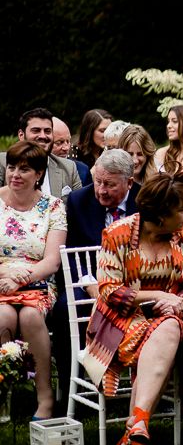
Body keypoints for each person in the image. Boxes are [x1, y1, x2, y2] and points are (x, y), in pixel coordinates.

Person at [83, 174, 183, 445]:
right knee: (161, 334)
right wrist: (156, 294)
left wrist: (177, 302)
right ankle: (133, 437)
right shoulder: (118, 234)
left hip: (170, 315)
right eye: (181, 209)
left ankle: (136, 428)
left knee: (170, 326)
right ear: (161, 216)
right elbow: (109, 289)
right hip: (121, 318)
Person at [53, 149, 139, 406]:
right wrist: (93, 284)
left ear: (129, 183)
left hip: (136, 282)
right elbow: (72, 253)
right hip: (89, 280)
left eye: (110, 185)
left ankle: (144, 389)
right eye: (98, 181)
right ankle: (72, 386)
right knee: (62, 309)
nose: (101, 190)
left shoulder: (144, 200)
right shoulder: (79, 201)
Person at [0, 141, 66, 420]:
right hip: (0, 280)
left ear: (39, 174)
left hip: (38, 283)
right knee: (2, 317)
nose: (15, 174)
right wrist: (5, 276)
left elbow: (53, 260)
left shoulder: (53, 207)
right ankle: (4, 394)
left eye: (24, 169)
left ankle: (45, 397)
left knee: (29, 318)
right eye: (12, 167)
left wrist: (21, 279)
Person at [0, 108, 82, 201]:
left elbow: (79, 208)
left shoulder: (68, 168)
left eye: (47, 131)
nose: (43, 136)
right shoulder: (3, 162)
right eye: (36, 130)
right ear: (21, 135)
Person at [52, 117, 92, 186]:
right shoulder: (33, 170)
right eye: (59, 142)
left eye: (68, 141)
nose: (66, 148)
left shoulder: (82, 170)